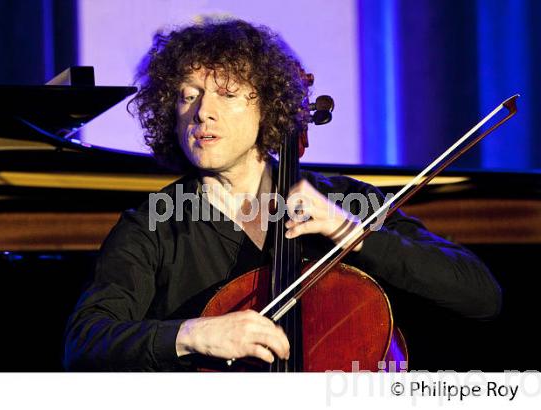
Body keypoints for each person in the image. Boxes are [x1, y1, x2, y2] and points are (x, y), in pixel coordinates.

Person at [63, 19, 501, 371]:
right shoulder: (154, 224)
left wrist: (354, 234)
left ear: (268, 108)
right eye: (187, 96)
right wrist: (192, 334)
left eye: (227, 94)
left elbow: (481, 296)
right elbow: (85, 342)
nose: (202, 112)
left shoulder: (344, 204)